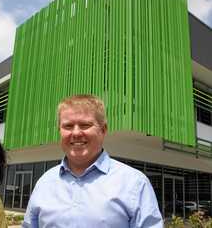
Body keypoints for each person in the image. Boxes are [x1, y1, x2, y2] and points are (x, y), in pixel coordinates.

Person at [23, 94, 163, 227]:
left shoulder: (135, 184)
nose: (76, 133)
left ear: (103, 130)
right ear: (59, 131)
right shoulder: (44, 183)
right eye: (68, 126)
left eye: (85, 125)